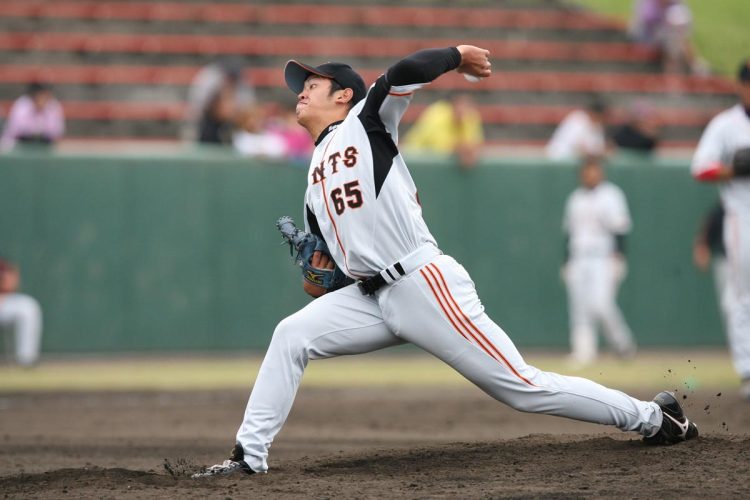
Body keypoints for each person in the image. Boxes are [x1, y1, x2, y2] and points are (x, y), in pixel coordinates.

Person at [195, 44, 697, 478]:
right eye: (300, 85)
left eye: (313, 82)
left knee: (521, 387)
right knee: (292, 335)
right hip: (371, 296)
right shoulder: (312, 179)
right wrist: (322, 275)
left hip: (422, 282)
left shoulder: (366, 122)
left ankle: (655, 417)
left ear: (343, 94)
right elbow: (333, 270)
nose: (300, 90)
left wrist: (456, 56)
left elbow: (401, 72)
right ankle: (249, 456)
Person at [691, 58, 750, 401]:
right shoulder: (726, 125)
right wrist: (733, 170)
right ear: (741, 85)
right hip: (742, 217)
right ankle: (747, 371)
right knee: (743, 298)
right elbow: (700, 168)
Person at [561, 156, 637, 367]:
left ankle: (622, 343)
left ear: (601, 172)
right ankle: (583, 351)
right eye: (586, 170)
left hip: (603, 256)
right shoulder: (575, 198)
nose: (590, 174)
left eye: (594, 170)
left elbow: (620, 229)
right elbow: (569, 233)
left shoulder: (611, 195)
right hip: (578, 256)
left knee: (601, 304)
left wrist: (620, 257)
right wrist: (566, 261)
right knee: (579, 307)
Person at [402, 93, 484, 169]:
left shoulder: (471, 117)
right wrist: (461, 148)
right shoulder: (438, 114)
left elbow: (475, 143)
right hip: (413, 156)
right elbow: (438, 148)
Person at [183, 59, 256, 145]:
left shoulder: (241, 85)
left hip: (230, 126)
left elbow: (248, 110)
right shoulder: (210, 78)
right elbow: (197, 106)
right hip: (207, 126)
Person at [629, 0, 707, 75]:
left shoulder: (675, 4)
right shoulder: (649, 9)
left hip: (666, 34)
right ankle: (687, 65)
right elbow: (645, 28)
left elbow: (683, 24)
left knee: (677, 38)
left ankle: (688, 64)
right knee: (674, 40)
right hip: (647, 36)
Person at [692, 202, 731, 330]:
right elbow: (707, 229)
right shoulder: (722, 208)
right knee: (729, 305)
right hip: (726, 262)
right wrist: (702, 247)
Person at [0, 257, 42, 366]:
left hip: (4, 302)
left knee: (28, 307)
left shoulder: (3, 266)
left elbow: (10, 283)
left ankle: (26, 359)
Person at [0, 82, 65, 152]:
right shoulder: (22, 105)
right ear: (34, 97)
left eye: (45, 97)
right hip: (17, 145)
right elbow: (17, 130)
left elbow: (56, 131)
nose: (43, 100)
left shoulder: (53, 106)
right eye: (40, 97)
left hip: (45, 147)